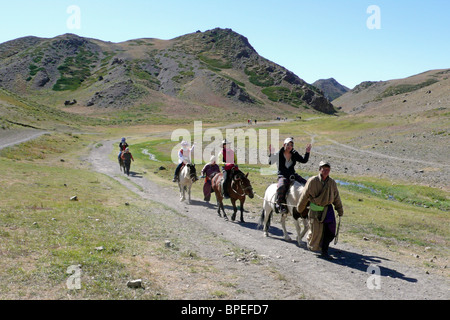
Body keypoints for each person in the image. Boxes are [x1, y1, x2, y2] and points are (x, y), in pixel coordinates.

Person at [297, 161, 344, 259]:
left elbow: (336, 197)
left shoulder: (332, 183)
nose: (326, 171)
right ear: (320, 170)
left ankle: (324, 250)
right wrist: (300, 208)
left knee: (330, 232)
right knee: (316, 233)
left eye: (328, 169)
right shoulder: (312, 181)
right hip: (315, 210)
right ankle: (319, 247)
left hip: (328, 210)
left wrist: (339, 209)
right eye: (324, 169)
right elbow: (304, 196)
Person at [269, 137, 311, 214]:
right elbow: (270, 162)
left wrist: (307, 152)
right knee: (281, 186)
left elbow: (304, 160)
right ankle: (280, 205)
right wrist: (271, 153)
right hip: (283, 176)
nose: (289, 146)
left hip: (292, 175)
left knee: (307, 184)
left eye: (291, 145)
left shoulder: (294, 153)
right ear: (284, 145)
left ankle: (308, 203)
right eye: (288, 144)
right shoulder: (279, 154)